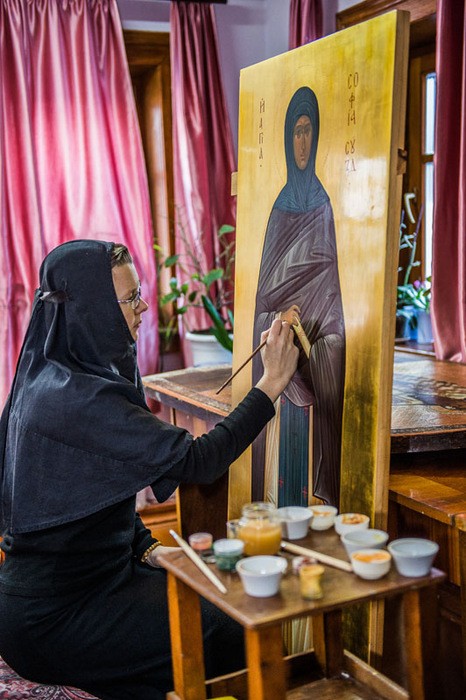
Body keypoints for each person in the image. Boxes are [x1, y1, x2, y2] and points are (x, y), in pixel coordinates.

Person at [0, 239, 298, 700]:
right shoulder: (78, 399)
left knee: (201, 611)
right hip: (55, 616)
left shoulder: (53, 374)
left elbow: (94, 492)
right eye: (130, 298)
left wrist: (147, 547)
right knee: (232, 630)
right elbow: (199, 461)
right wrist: (271, 383)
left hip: (79, 589)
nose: (143, 308)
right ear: (94, 311)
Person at [252, 86, 346, 508]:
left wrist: (322, 334)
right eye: (296, 132)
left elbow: (332, 290)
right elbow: (263, 297)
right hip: (284, 346)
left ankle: (323, 502)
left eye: (309, 131)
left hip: (317, 343)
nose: (303, 142)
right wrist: (279, 317)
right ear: (288, 140)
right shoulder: (279, 208)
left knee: (334, 349)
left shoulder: (325, 205)